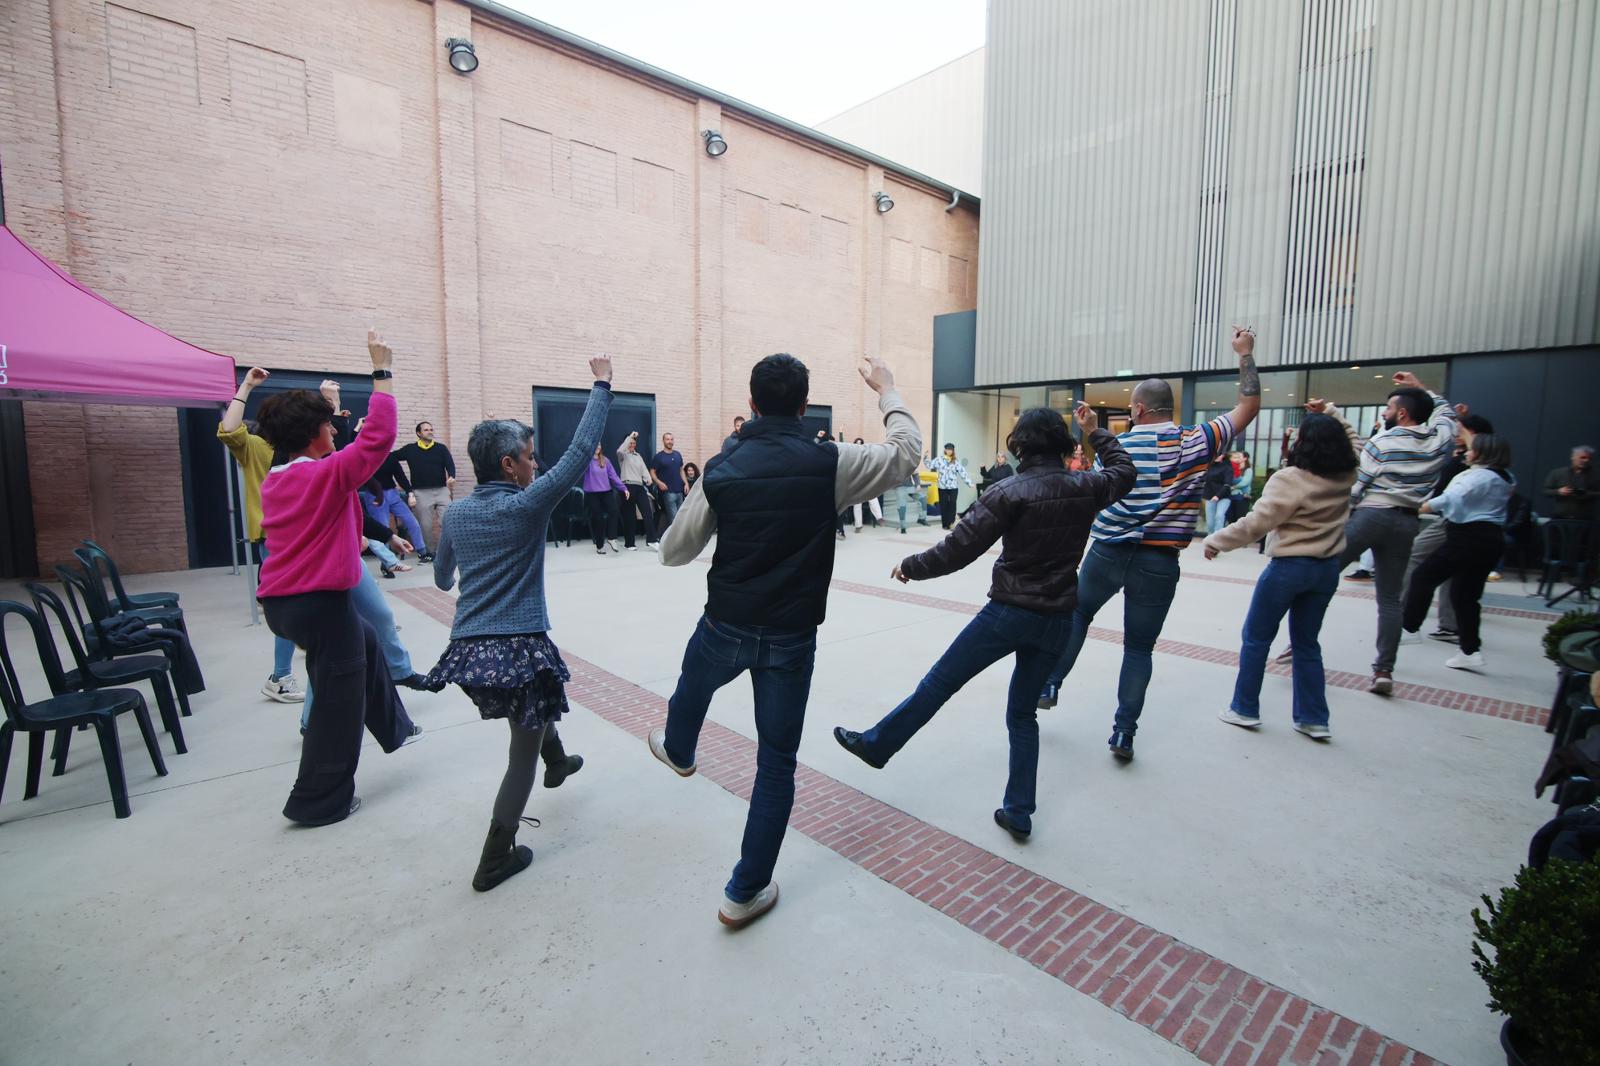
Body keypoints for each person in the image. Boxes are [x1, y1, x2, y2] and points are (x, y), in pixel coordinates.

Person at [648, 353, 920, 928]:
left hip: (726, 621)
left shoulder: (723, 469)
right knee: (776, 765)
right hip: (792, 636)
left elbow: (674, 550)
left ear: (751, 404)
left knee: (693, 678)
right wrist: (887, 390)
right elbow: (904, 456)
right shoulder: (832, 462)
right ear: (803, 406)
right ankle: (743, 892)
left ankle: (678, 745)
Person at [834, 404, 1135, 839]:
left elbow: (958, 548)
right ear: (1061, 444)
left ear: (1021, 445)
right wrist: (1096, 432)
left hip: (1009, 613)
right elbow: (1125, 471)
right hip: (1057, 619)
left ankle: (879, 744)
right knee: (1022, 716)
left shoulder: (1009, 491)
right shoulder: (1086, 485)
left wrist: (910, 566)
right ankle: (1019, 811)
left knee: (939, 683)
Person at [423, 355, 613, 891]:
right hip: (518, 648)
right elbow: (579, 455)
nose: (535, 464)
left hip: (468, 650)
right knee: (518, 753)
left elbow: (441, 579)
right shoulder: (527, 506)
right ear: (509, 465)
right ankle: (495, 855)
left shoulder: (456, 514)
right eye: (529, 457)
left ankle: (557, 761)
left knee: (531, 711)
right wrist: (601, 384)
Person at [1038, 326, 1261, 760]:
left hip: (1107, 552)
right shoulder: (1198, 439)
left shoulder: (1119, 445)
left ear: (1138, 408)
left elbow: (1105, 469)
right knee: (1139, 647)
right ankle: (1123, 733)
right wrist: (1245, 354)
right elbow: (1249, 405)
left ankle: (1050, 682)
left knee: (1078, 615)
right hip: (1159, 561)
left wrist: (1091, 429)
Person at [255, 331, 410, 826]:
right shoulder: (320, 475)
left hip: (287, 604)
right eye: (330, 426)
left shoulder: (281, 478)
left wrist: (379, 538)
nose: (337, 433)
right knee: (336, 706)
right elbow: (378, 440)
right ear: (314, 434)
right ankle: (319, 803)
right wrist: (382, 376)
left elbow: (334, 518)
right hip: (319, 606)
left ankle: (396, 725)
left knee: (366, 642)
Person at [1205, 400, 1361, 740]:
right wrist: (1331, 412)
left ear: (1304, 443)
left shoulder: (1290, 479)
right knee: (1307, 644)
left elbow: (1257, 523)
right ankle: (1314, 718)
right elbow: (1355, 441)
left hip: (1289, 568)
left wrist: (1217, 540)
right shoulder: (1346, 474)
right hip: (1325, 570)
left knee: (1257, 637)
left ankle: (1244, 708)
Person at [1335, 371, 1459, 694]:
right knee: (1390, 599)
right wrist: (1420, 386)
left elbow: (1357, 488)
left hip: (1372, 514)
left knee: (1319, 573)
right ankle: (1383, 671)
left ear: (1401, 412)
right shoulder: (1437, 440)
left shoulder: (1382, 441)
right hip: (1407, 523)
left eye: (1388, 408)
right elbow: (1446, 412)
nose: (1384, 413)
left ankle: (1299, 644)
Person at [218, 367, 307, 704]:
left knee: (301, 607)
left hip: (303, 537)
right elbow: (229, 430)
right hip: (277, 539)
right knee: (288, 607)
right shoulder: (256, 447)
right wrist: (247, 386)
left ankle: (298, 648)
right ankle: (280, 675)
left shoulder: (302, 449)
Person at [1402, 434, 1516, 672]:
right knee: (1465, 597)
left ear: (1483, 453)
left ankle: (1409, 628)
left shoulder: (1477, 476)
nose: (1466, 451)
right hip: (1491, 539)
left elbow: (1450, 498)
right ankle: (1470, 650)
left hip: (1467, 537)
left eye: (1471, 449)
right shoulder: (1506, 477)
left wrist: (1417, 507)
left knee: (1424, 576)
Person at [1400, 411, 1492, 643]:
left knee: (1417, 559)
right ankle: (1450, 626)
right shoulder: (1469, 459)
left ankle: (1404, 619)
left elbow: (1451, 496)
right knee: (1454, 571)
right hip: (1459, 523)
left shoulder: (1479, 465)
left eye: (1460, 429)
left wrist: (1423, 506)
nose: (1455, 433)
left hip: (1456, 521)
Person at [394, 421, 457, 561]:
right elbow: (392, 457)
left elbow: (450, 464)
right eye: (426, 429)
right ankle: (430, 553)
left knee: (447, 521)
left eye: (431, 429)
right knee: (426, 526)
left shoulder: (441, 448)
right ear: (419, 433)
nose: (430, 431)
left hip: (441, 490)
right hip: (421, 493)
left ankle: (445, 553)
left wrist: (452, 476)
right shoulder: (410, 449)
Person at [363, 450, 427, 553]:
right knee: (383, 528)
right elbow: (364, 477)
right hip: (374, 495)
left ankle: (422, 551)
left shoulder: (390, 456)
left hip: (392, 494)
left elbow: (400, 476)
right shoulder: (365, 456)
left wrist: (410, 492)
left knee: (411, 522)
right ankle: (388, 560)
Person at [615, 431, 659, 551]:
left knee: (647, 513)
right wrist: (630, 436)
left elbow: (644, 469)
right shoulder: (622, 455)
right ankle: (629, 543)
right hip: (627, 487)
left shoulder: (638, 456)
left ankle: (652, 540)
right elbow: (619, 450)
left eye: (634, 443)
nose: (632, 444)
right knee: (629, 516)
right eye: (630, 442)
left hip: (639, 487)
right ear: (626, 442)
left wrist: (648, 479)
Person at [583, 444, 626, 554]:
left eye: (599, 445)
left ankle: (612, 538)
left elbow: (613, 476)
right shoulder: (586, 461)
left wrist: (623, 488)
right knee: (599, 519)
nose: (597, 446)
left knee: (614, 510)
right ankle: (599, 546)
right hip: (592, 494)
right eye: (595, 444)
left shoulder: (605, 460)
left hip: (606, 492)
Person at [925, 444, 973, 529]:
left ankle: (951, 523)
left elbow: (963, 473)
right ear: (945, 450)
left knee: (952, 504)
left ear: (953, 451)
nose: (949, 451)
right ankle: (945, 524)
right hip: (942, 487)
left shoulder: (956, 461)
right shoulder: (939, 460)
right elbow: (930, 465)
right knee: (943, 505)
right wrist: (925, 457)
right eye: (948, 449)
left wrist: (969, 483)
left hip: (953, 487)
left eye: (951, 449)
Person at [1544, 446, 1597, 521]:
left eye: (1589, 458)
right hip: (1560, 516)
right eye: (1583, 457)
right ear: (1573, 457)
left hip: (1585, 518)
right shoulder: (1557, 473)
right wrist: (1558, 491)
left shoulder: (1596, 475)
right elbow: (1545, 491)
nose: (1586, 460)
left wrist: (1586, 494)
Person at [651, 432, 687, 524]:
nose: (670, 441)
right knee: (674, 520)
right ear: (663, 441)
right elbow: (652, 472)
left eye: (671, 439)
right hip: (668, 492)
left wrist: (686, 483)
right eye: (667, 439)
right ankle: (675, 538)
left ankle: (681, 538)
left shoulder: (677, 454)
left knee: (681, 518)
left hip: (680, 491)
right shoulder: (658, 457)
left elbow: (681, 470)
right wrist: (659, 483)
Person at [850, 437, 885, 530]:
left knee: (873, 499)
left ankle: (879, 517)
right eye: (857, 443)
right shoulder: (851, 456)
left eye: (860, 443)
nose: (858, 445)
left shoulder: (866, 456)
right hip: (856, 484)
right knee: (857, 504)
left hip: (866, 482)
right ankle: (858, 526)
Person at [1203, 456, 1233, 532]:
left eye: (1219, 454)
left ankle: (1217, 540)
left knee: (1219, 516)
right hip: (1210, 497)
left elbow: (1227, 484)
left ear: (1223, 456)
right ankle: (1211, 539)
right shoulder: (1208, 466)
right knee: (1210, 523)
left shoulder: (1227, 467)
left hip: (1224, 497)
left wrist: (1218, 496)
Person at [1228, 453, 1253, 523]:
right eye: (1236, 457)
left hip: (1242, 497)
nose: (1238, 458)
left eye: (1239, 457)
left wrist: (1233, 487)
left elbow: (1245, 482)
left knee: (1240, 520)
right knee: (1231, 520)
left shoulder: (1248, 470)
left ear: (1245, 458)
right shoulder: (1233, 468)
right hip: (1231, 497)